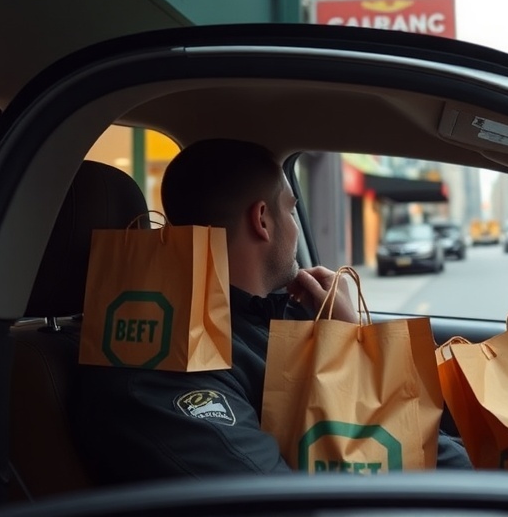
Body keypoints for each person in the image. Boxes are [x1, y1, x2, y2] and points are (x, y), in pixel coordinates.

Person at [75, 138, 470, 483]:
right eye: (292, 209)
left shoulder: (282, 316)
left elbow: (421, 446)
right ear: (262, 219)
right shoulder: (162, 363)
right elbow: (283, 502)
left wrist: (353, 344)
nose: (296, 227)